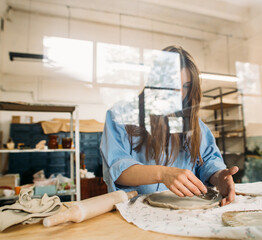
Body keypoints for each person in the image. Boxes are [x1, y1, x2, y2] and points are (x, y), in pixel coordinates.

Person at [100, 45, 238, 206]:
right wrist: (163, 174)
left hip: (185, 212)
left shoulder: (193, 123)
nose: (179, 94)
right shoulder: (121, 115)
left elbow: (207, 161)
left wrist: (219, 176)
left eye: (185, 86)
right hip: (137, 211)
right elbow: (118, 170)